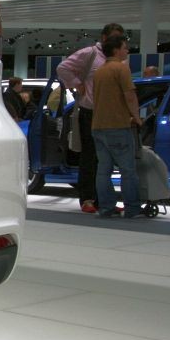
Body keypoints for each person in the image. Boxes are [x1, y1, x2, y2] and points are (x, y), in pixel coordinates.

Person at [57, 22, 125, 213]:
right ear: (104, 38)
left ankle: (105, 200)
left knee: (107, 160)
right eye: (113, 37)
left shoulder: (120, 60)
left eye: (119, 39)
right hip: (90, 111)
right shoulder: (90, 53)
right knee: (90, 157)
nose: (116, 42)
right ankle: (87, 199)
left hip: (111, 114)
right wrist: (77, 84)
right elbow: (63, 68)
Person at [91, 35, 143, 218]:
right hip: (118, 125)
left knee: (103, 170)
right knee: (127, 170)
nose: (127, 50)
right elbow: (130, 96)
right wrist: (137, 117)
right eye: (124, 47)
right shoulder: (121, 68)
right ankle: (132, 208)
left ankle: (106, 207)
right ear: (116, 50)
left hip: (98, 126)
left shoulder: (99, 72)